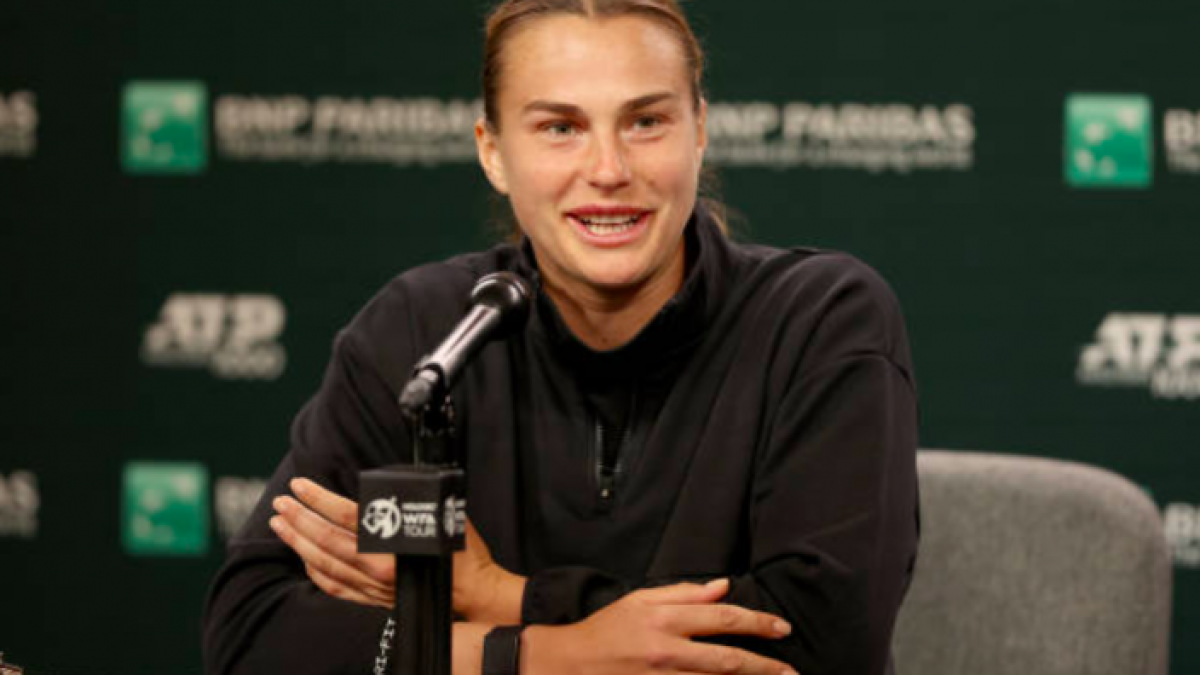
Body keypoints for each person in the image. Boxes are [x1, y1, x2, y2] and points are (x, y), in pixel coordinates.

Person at [202, 1, 920, 673]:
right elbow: (253, 633)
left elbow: (825, 644)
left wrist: (498, 594)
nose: (608, 170)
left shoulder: (822, 318)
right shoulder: (425, 330)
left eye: (646, 122)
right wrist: (541, 653)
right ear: (492, 150)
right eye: (559, 127)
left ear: (699, 129)